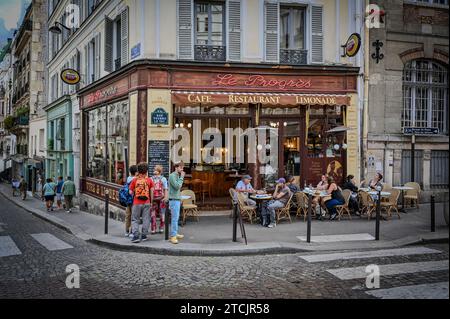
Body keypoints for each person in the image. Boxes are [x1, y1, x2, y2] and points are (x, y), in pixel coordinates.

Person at [129, 162, 154, 243]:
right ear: (146, 171)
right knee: (146, 219)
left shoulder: (134, 180)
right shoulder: (149, 180)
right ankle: (144, 235)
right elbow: (152, 192)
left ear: (138, 171)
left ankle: (136, 236)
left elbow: (130, 192)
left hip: (136, 202)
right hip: (147, 202)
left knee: (135, 219)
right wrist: (151, 202)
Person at [168, 162, 185, 244]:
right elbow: (177, 186)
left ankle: (175, 233)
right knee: (174, 218)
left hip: (176, 199)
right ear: (176, 167)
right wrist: (181, 177)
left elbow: (177, 189)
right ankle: (173, 236)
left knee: (176, 218)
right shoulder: (172, 176)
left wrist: (180, 197)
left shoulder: (177, 175)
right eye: (181, 168)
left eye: (183, 168)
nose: (182, 169)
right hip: (173, 200)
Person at [150, 165, 168, 235]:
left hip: (154, 198)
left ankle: (153, 229)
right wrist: (165, 197)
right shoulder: (163, 179)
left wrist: (151, 200)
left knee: (153, 214)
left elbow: (150, 190)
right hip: (161, 198)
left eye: (155, 170)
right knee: (161, 213)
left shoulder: (151, 179)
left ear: (158, 171)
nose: (154, 171)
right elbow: (165, 189)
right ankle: (161, 228)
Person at [124, 165, 138, 237]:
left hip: (127, 200)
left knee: (127, 216)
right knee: (134, 216)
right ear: (136, 172)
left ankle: (126, 231)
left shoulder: (128, 178)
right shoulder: (136, 179)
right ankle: (132, 231)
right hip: (134, 200)